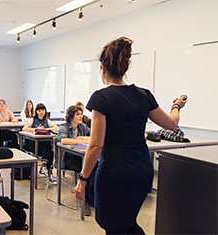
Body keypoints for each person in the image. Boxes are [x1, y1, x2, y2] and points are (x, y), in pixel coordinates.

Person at [74, 37, 187, 234]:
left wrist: (82, 180)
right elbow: (172, 123)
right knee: (126, 224)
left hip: (114, 176)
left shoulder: (101, 98)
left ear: (102, 69)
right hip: (142, 173)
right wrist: (176, 106)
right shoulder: (144, 95)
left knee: (116, 226)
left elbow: (95, 146)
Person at [57, 105, 95, 216]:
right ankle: (84, 201)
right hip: (67, 158)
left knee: (96, 166)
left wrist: (82, 139)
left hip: (80, 156)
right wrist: (80, 140)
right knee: (85, 170)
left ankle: (91, 197)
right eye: (77, 114)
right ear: (70, 116)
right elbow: (63, 140)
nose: (80, 116)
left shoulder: (82, 126)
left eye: (81, 114)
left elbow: (94, 136)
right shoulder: (64, 126)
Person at [22, 103, 59, 185]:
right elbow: (24, 129)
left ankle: (44, 167)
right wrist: (36, 129)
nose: (41, 112)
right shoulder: (32, 120)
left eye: (43, 110)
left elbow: (57, 128)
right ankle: (49, 174)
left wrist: (46, 129)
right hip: (34, 146)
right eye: (39, 110)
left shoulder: (47, 121)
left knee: (49, 148)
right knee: (49, 150)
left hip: (44, 147)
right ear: (36, 111)